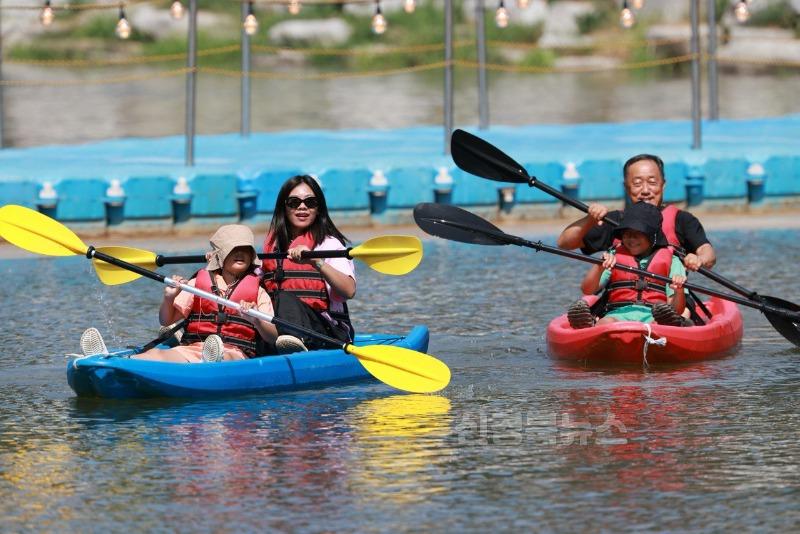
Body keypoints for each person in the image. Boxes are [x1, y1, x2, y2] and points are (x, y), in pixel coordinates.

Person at [79, 225, 279, 362]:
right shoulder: (197, 283)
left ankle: (211, 361)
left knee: (224, 357)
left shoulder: (258, 291)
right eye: (233, 249)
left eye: (245, 249)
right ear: (220, 255)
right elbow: (167, 320)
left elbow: (271, 337)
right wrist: (169, 297)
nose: (240, 253)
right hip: (194, 347)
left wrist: (256, 320)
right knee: (158, 355)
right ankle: (113, 361)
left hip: (235, 353)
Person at [557, 154, 716, 271]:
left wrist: (698, 260)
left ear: (663, 185)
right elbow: (565, 244)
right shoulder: (615, 220)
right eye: (637, 184)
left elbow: (707, 253)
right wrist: (590, 219)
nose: (646, 190)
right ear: (626, 187)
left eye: (652, 183)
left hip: (668, 301)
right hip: (621, 302)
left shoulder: (682, 220)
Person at [260, 175, 356, 353]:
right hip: (276, 330)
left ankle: (294, 344)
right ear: (284, 207)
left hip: (327, 334)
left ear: (318, 209)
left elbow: (349, 290)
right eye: (294, 202)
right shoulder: (272, 247)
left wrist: (316, 261)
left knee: (285, 297)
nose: (302, 207)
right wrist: (222, 261)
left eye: (310, 202)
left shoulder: (329, 244)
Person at [567, 201, 691, 329]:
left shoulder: (672, 260)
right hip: (618, 314)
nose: (631, 239)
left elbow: (677, 309)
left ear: (652, 235)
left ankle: (668, 327)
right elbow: (587, 290)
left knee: (659, 325)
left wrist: (679, 291)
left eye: (638, 233)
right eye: (626, 233)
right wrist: (599, 266)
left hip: (655, 316)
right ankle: (590, 325)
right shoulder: (614, 255)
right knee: (605, 323)